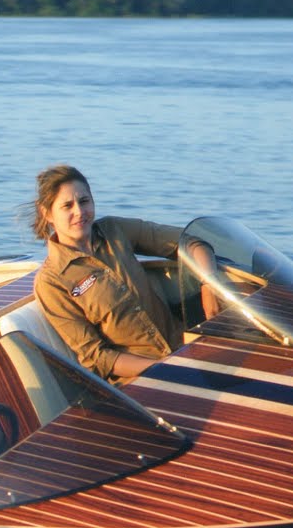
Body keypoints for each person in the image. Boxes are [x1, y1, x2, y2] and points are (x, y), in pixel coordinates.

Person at [29, 164, 219, 383]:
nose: (79, 213)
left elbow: (192, 242)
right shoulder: (51, 282)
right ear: (47, 213)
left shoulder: (114, 230)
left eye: (84, 201)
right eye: (67, 206)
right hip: (140, 380)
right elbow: (97, 357)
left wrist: (209, 286)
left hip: (187, 350)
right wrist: (165, 369)